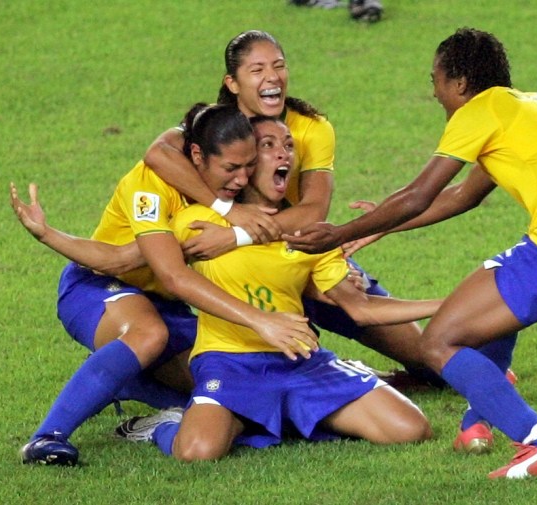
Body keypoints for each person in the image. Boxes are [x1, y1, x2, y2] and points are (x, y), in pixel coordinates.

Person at [284, 27, 537, 478]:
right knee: (489, 309)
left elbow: (420, 193)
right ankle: (476, 423)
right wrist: (378, 227)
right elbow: (463, 197)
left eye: (435, 79)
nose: (435, 92)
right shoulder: (527, 104)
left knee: (438, 342)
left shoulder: (478, 111)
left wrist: (339, 232)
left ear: (459, 83)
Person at [115, 115, 435, 460]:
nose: (284, 154)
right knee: (196, 452)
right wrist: (51, 236)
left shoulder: (307, 232)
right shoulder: (203, 222)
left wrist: (444, 304)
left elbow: (360, 307)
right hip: (229, 362)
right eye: (268, 146)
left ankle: (273, 414)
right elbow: (168, 273)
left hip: (299, 361)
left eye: (288, 146)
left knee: (410, 428)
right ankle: (165, 425)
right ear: (249, 162)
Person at [13, 103, 318, 467]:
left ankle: (130, 386)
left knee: (233, 381)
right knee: (148, 332)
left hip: (168, 304)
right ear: (197, 155)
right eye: (231, 169)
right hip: (100, 286)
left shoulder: (227, 188)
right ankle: (47, 437)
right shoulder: (150, 186)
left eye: (248, 166)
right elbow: (120, 261)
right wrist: (46, 234)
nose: (241, 179)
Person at [145, 29, 449, 390]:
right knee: (189, 361)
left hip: (302, 255)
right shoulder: (213, 127)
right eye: (257, 70)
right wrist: (226, 209)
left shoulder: (312, 127)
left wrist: (237, 235)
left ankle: (362, 372)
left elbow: (313, 211)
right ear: (233, 82)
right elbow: (157, 154)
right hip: (238, 274)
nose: (272, 77)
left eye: (279, 66)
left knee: (430, 360)